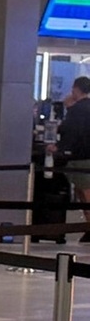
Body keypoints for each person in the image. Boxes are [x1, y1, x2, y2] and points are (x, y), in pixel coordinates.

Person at [51, 76, 90, 242]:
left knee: (85, 192)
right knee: (83, 191)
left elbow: (70, 131)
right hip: (87, 154)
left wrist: (59, 147)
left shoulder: (77, 110)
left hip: (81, 156)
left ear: (76, 89)